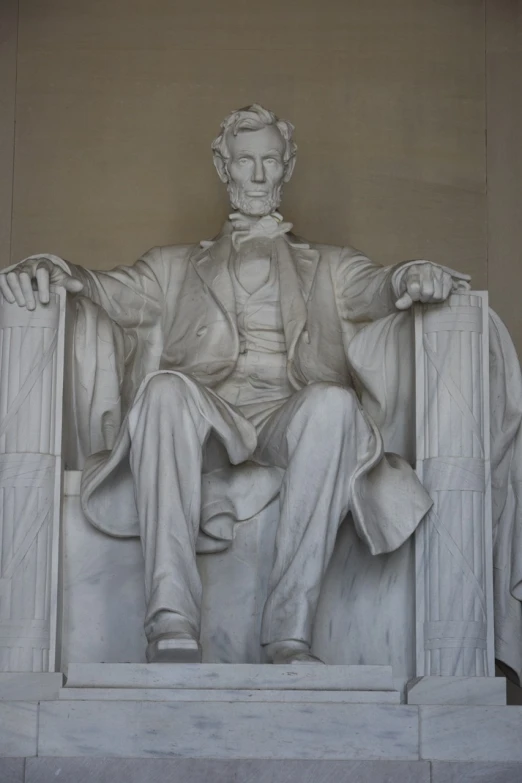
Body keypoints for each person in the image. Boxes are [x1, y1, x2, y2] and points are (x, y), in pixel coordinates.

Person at [0, 104, 471, 664]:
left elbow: (379, 287)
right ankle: (170, 618)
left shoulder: (329, 264)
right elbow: (103, 289)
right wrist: (56, 268)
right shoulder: (172, 267)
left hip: (286, 415)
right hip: (206, 420)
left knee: (335, 404)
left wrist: (411, 273)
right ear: (222, 167)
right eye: (244, 161)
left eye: (269, 161)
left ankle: (289, 632)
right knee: (164, 389)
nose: (256, 175)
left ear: (287, 166)